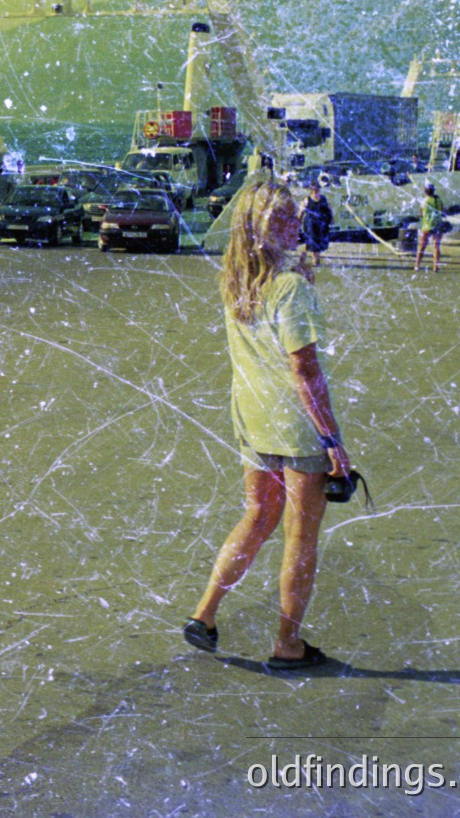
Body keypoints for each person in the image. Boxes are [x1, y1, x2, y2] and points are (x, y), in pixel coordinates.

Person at [184, 180, 350, 671]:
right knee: (300, 536)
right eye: (284, 219)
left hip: (251, 417)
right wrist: (333, 441)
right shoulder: (290, 287)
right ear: (262, 228)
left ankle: (205, 615)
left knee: (257, 516)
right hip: (296, 426)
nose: (296, 224)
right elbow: (305, 371)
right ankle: (288, 645)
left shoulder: (237, 280)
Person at [299, 180, 333, 266]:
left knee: (319, 240)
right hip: (310, 223)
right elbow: (301, 211)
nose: (316, 190)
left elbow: (329, 209)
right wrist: (298, 220)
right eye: (314, 189)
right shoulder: (307, 199)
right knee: (312, 240)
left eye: (317, 188)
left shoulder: (323, 198)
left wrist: (331, 218)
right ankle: (315, 258)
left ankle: (317, 257)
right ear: (311, 189)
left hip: (321, 223)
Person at [414, 183, 446, 273]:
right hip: (438, 225)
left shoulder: (423, 201)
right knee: (436, 246)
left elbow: (420, 215)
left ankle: (417, 265)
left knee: (422, 247)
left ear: (425, 191)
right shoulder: (439, 199)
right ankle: (435, 266)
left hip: (427, 226)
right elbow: (443, 210)